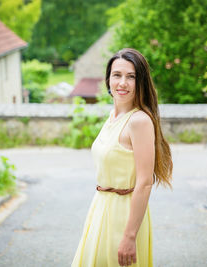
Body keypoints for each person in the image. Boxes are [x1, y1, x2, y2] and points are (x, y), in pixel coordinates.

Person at [72, 48, 173, 267]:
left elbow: (145, 183)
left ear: (141, 82)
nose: (122, 83)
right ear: (108, 79)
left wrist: (129, 236)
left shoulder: (139, 121)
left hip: (124, 216)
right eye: (117, 75)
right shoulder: (113, 116)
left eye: (131, 76)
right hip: (100, 208)